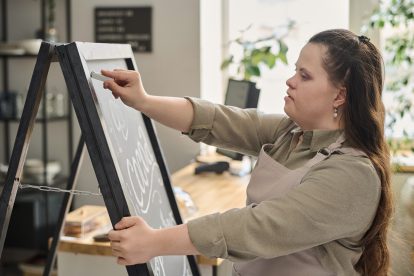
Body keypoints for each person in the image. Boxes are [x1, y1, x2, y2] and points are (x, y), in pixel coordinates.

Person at [104, 29, 392, 276]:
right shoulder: (289, 132)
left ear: (339, 95)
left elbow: (259, 227)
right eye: (295, 70)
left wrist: (155, 242)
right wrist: (143, 101)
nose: (290, 81)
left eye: (304, 76)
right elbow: (218, 120)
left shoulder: (353, 173)